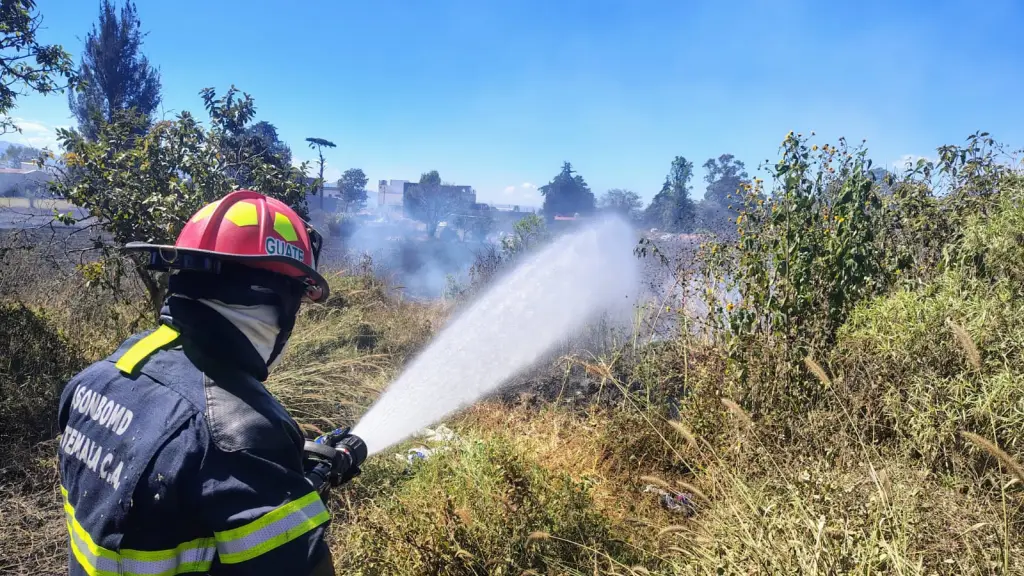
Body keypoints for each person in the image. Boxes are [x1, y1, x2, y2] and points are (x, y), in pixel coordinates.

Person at [56, 190, 366, 576]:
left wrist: (286, 479)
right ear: (279, 302)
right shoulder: (242, 432)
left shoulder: (95, 379)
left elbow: (172, 484)